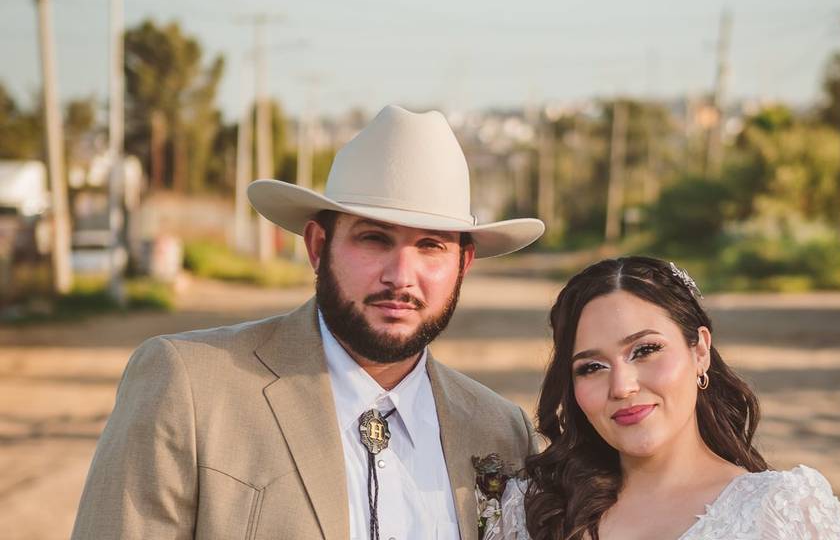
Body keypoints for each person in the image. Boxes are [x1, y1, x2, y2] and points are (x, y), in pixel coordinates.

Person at [71, 105, 545, 540]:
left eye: (431, 246)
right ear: (318, 247)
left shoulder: (500, 430)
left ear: (462, 265)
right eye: (374, 239)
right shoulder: (190, 386)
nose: (401, 277)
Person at [485, 256, 840, 540]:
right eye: (592, 367)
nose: (622, 386)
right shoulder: (530, 510)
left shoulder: (783, 511)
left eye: (645, 350)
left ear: (700, 351)